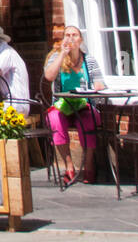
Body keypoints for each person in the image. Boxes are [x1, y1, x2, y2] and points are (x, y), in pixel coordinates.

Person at [44, 26, 107, 185]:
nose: (70, 38)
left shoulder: (88, 60)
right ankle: (69, 166)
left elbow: (100, 84)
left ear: (80, 40)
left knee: (89, 119)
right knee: (54, 119)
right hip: (62, 105)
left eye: (74, 35)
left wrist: (96, 88)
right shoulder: (55, 57)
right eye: (67, 35)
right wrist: (62, 55)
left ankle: (89, 164)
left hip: (83, 104)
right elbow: (49, 76)